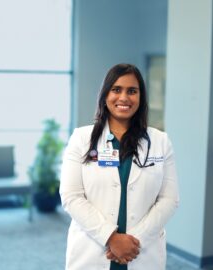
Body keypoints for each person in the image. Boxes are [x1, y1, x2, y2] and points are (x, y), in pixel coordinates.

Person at [60, 63, 179, 270]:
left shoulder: (160, 141)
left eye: (132, 91)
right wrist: (111, 238)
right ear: (105, 95)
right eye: (116, 90)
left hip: (141, 252)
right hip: (93, 251)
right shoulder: (81, 138)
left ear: (140, 98)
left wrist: (133, 241)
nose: (124, 97)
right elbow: (71, 196)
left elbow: (169, 199)